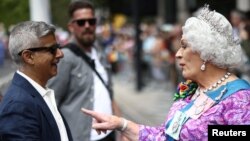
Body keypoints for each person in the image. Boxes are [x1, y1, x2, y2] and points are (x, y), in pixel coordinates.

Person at [81, 5, 250, 141]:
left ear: (205, 53)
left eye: (184, 46)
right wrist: (121, 124)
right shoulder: (190, 88)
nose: (177, 54)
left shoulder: (240, 99)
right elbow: (165, 135)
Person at [47, 0, 120, 141]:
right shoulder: (65, 58)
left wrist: (121, 127)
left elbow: (109, 93)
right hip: (81, 137)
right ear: (71, 26)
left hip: (109, 134)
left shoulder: (100, 53)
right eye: (81, 22)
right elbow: (51, 104)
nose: (87, 26)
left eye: (91, 21)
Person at [0, 21, 73, 141]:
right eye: (52, 49)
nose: (60, 54)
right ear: (28, 57)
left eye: (58, 47)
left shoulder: (37, 93)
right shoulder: (18, 106)